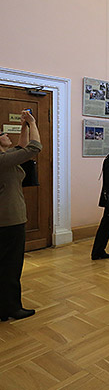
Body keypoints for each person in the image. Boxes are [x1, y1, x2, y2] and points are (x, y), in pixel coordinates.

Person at [0, 110, 42, 321]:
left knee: (6, 264)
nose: (6, 134)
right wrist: (33, 123)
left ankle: (5, 307)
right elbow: (34, 148)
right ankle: (11, 308)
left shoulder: (6, 157)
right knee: (11, 265)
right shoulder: (3, 160)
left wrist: (24, 125)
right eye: (2, 133)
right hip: (9, 220)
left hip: (7, 219)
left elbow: (21, 147)